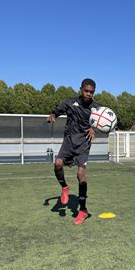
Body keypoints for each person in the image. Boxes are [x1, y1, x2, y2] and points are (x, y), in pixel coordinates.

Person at [47, 78, 100, 224]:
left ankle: (83, 210)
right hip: (69, 141)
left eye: (91, 92)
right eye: (86, 91)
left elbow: (106, 121)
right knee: (58, 164)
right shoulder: (70, 103)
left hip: (84, 144)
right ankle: (64, 187)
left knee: (81, 175)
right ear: (81, 89)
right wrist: (53, 116)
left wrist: (94, 127)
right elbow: (56, 111)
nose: (88, 94)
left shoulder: (97, 108)